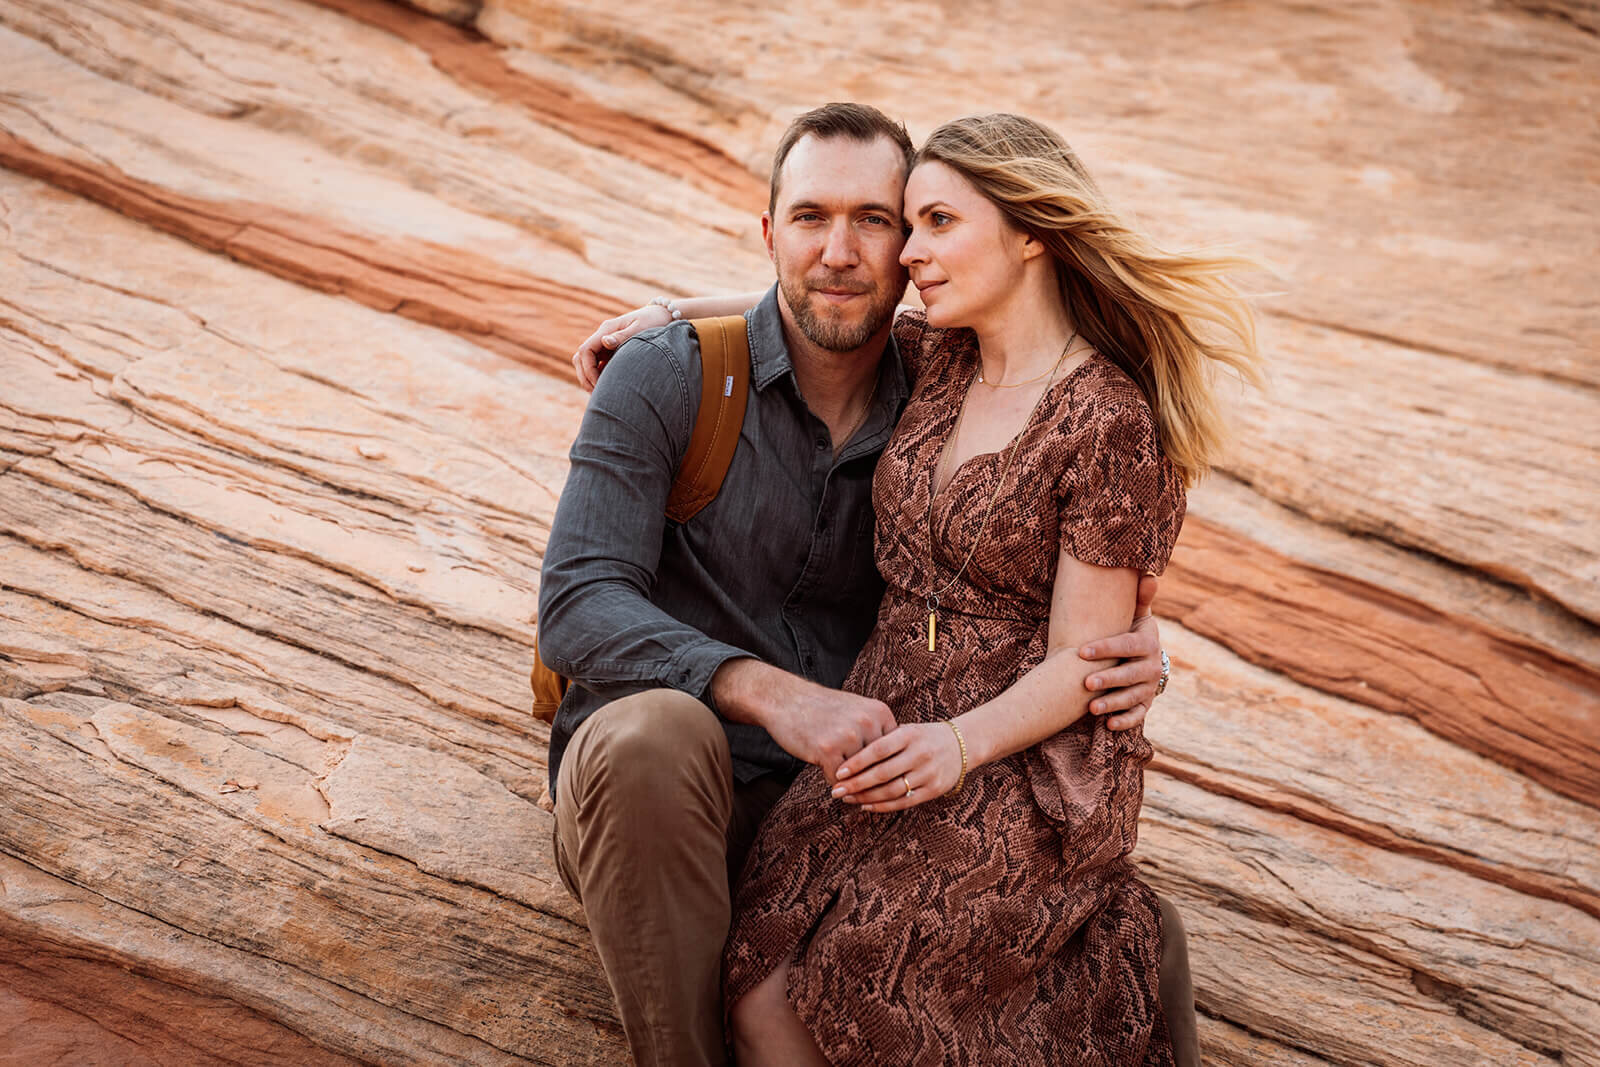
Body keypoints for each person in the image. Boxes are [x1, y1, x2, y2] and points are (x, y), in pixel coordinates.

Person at [540, 104, 1189, 1067]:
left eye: (896, 223)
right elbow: (576, 603)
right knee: (746, 944)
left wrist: (1116, 659)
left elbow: (1081, 635)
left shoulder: (1015, 391)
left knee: (975, 965)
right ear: (771, 235)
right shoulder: (893, 365)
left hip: (929, 753)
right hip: (761, 764)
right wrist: (670, 315)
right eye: (811, 219)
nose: (857, 252)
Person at [706, 113, 1263, 1065]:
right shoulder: (940, 356)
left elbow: (1084, 663)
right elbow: (814, 307)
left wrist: (958, 747)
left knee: (856, 972)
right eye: (912, 226)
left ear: (1032, 231)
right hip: (888, 705)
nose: (909, 254)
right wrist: (670, 321)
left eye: (938, 223)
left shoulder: (1108, 420)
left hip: (1023, 754)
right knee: (759, 977)